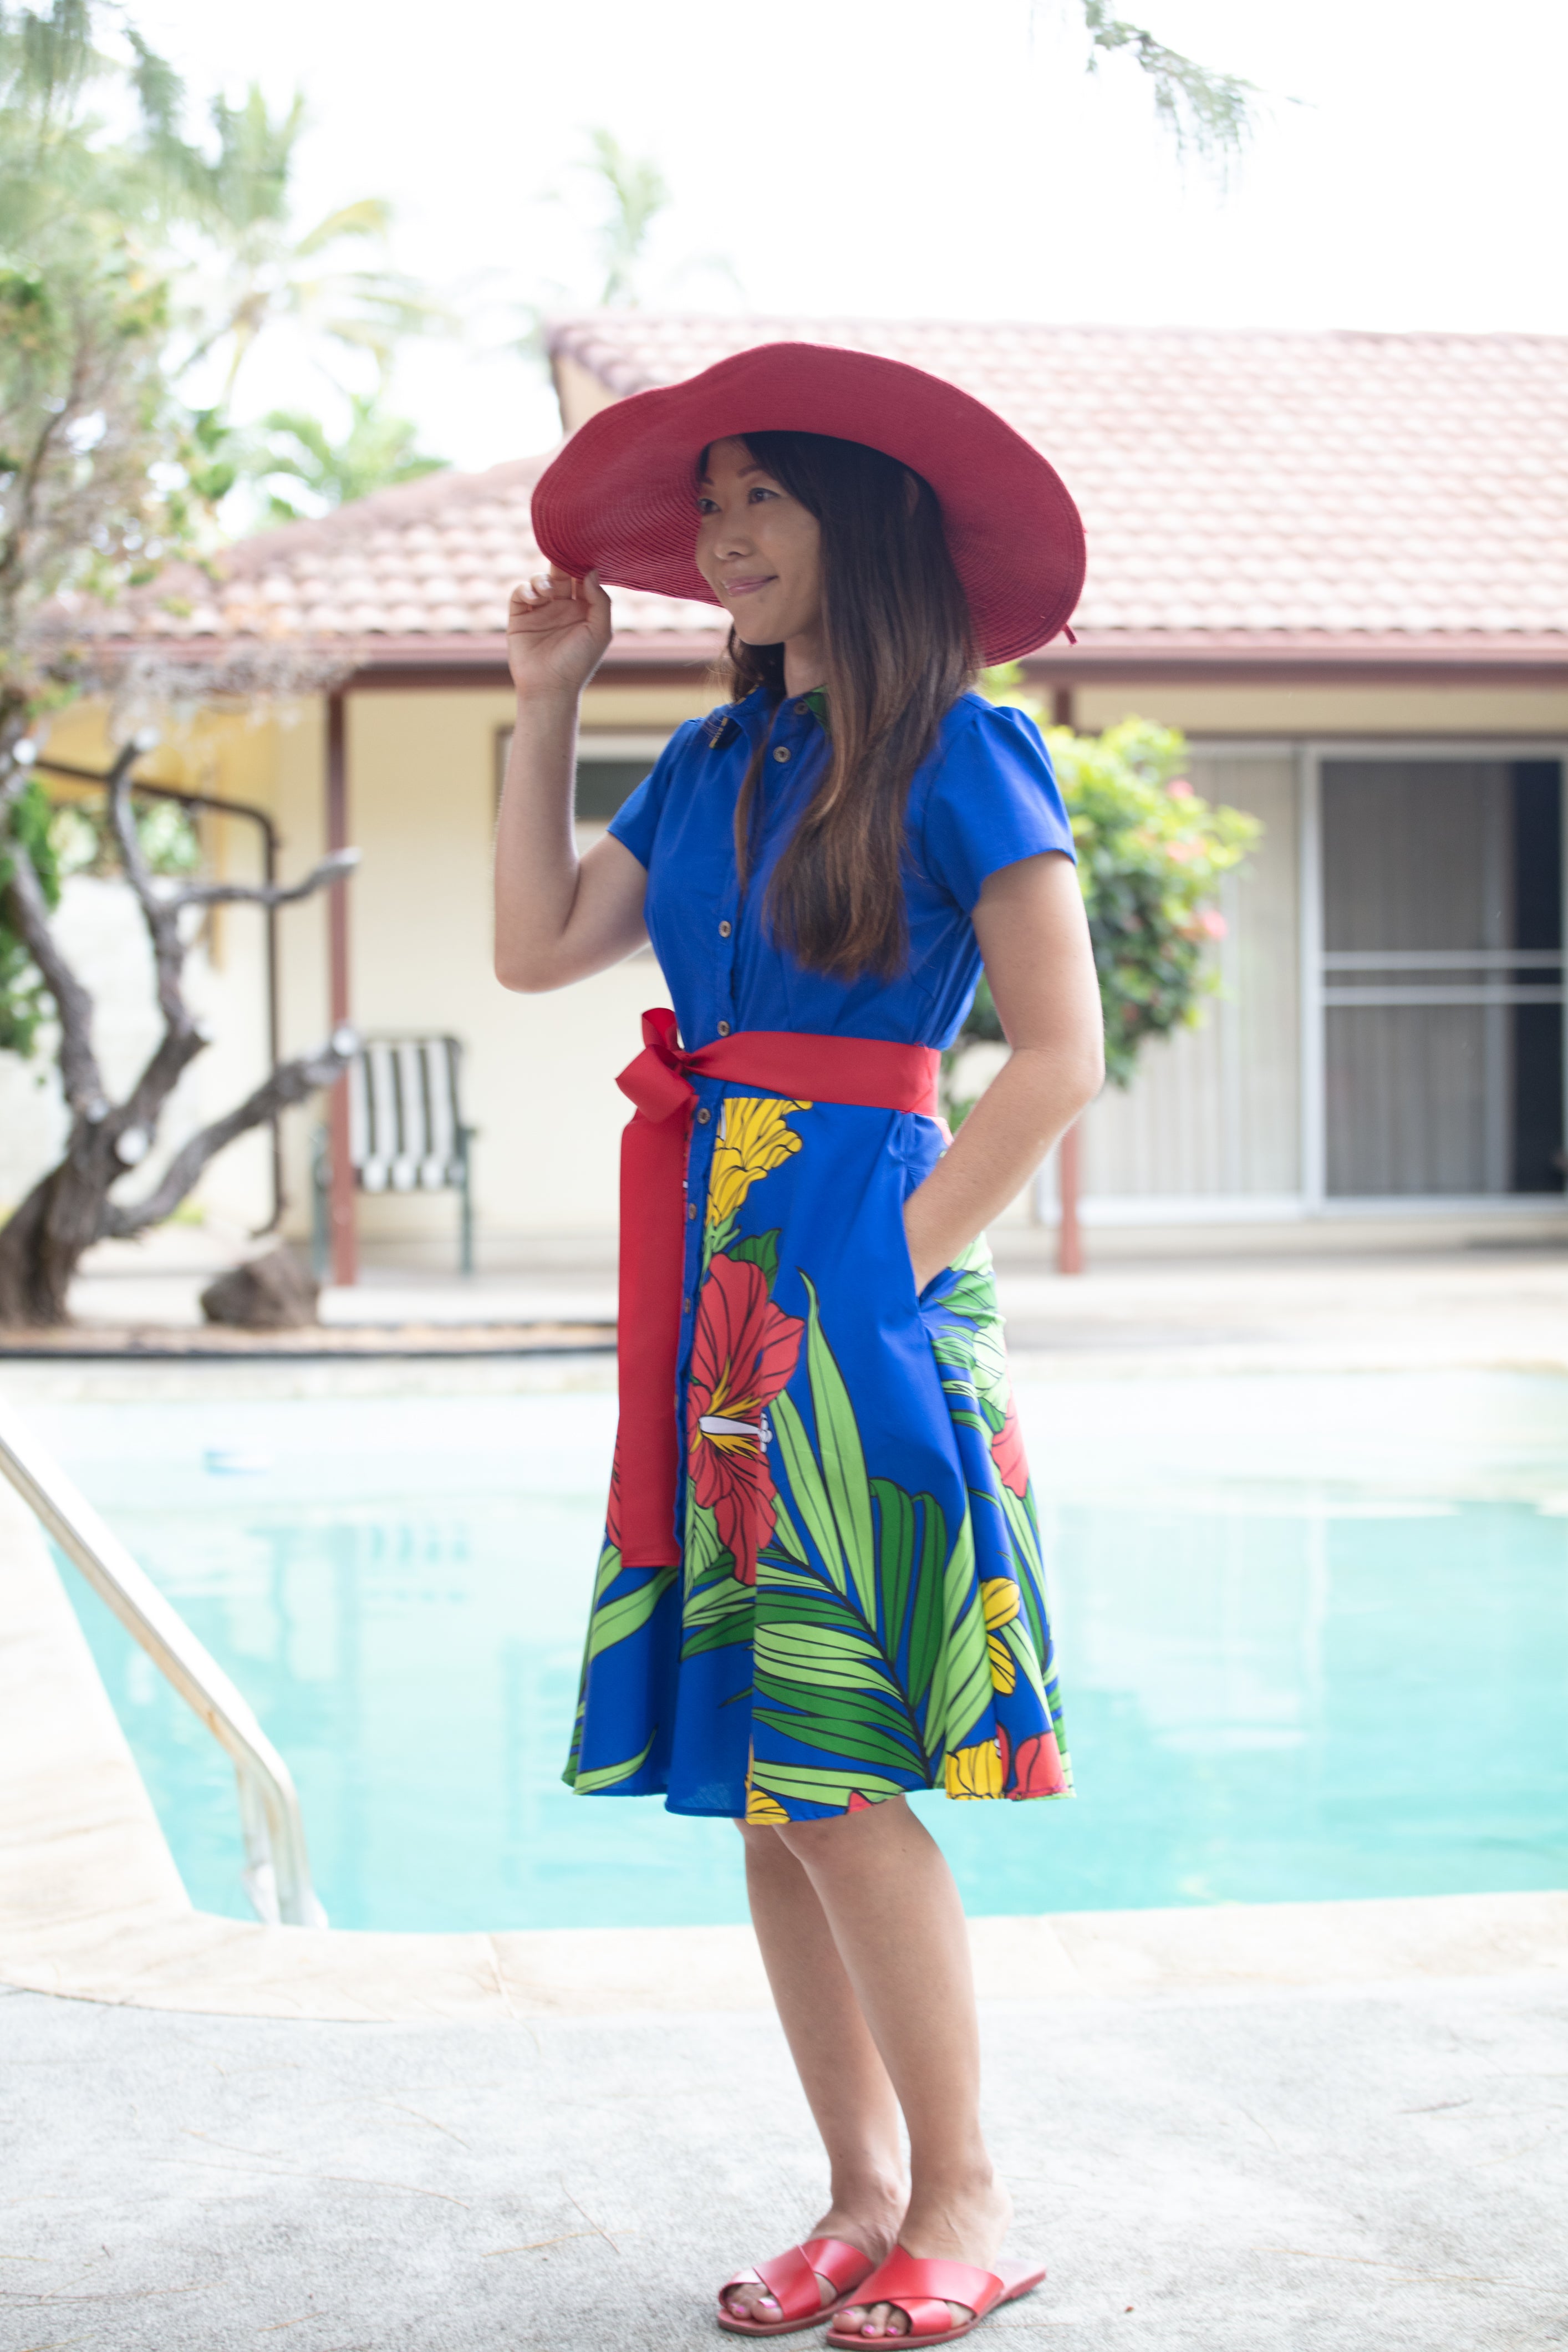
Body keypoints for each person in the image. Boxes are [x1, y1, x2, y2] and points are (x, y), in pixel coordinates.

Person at [495, 343, 1104, 2346]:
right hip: (706, 1269)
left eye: (763, 496)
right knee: (770, 1777)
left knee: (841, 1757)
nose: (721, 534)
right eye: (713, 502)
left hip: (852, 1264)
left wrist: (883, 1272)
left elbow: (1054, 1062)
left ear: (869, 521)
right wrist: (546, 705)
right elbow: (531, 946)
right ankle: (857, 2195)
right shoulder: (704, 764)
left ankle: (967, 2196)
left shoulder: (965, 747)